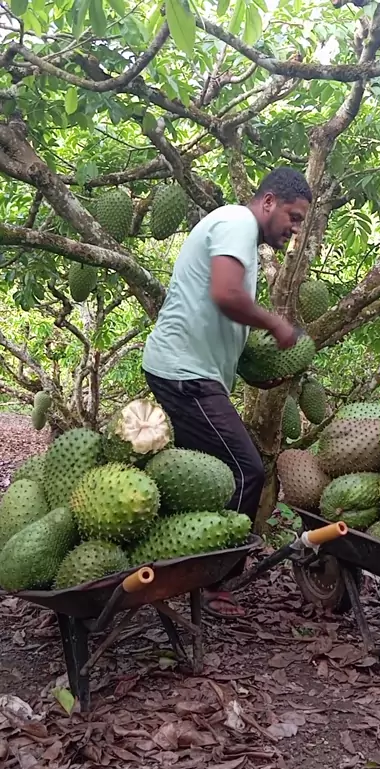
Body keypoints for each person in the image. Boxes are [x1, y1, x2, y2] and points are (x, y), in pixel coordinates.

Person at [142, 166, 312, 619]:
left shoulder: (242, 240)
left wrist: (256, 373)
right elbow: (225, 295)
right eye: (294, 218)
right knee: (245, 470)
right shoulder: (237, 221)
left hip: (192, 372)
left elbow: (218, 319)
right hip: (184, 374)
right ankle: (213, 582)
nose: (295, 230)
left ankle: (175, 568)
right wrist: (276, 324)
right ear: (269, 201)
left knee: (209, 477)